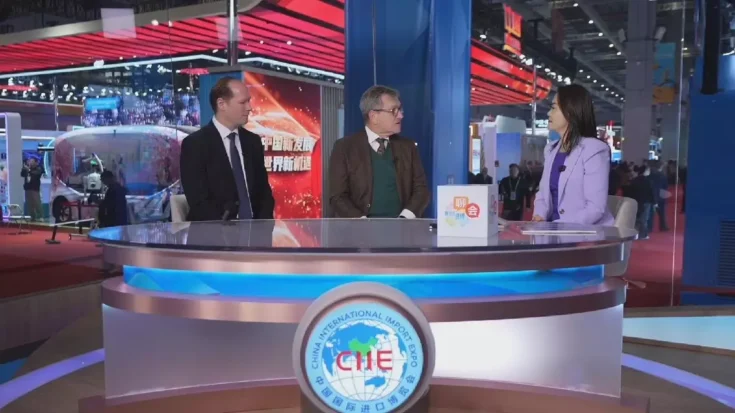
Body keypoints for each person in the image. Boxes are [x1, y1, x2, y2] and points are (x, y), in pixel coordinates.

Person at [180, 76, 274, 221]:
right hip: (215, 231)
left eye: (249, 101)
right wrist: (230, 230)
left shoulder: (253, 142)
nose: (249, 108)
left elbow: (264, 194)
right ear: (222, 104)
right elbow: (199, 202)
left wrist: (262, 226)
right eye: (243, 102)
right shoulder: (195, 144)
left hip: (255, 231)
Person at [329, 85, 429, 218]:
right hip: (360, 228)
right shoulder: (344, 147)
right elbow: (337, 196)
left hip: (402, 227)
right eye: (394, 110)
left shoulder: (408, 147)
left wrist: (405, 218)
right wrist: (362, 222)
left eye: (400, 109)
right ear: (374, 116)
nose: (400, 115)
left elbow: (421, 190)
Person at [532, 85, 614, 225]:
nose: (549, 113)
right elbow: (542, 194)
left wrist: (559, 226)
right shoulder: (550, 150)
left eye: (554, 108)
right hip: (552, 230)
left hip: (582, 231)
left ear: (570, 111)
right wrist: (539, 215)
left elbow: (595, 209)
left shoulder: (594, 149)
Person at [20, 157, 44, 221]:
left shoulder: (39, 168)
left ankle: (41, 216)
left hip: (35, 188)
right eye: (30, 161)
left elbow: (36, 174)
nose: (31, 162)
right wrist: (24, 168)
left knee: (37, 202)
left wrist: (29, 170)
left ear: (36, 162)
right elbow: (22, 174)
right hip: (28, 188)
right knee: (29, 203)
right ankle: (32, 216)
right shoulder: (27, 168)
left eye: (32, 161)